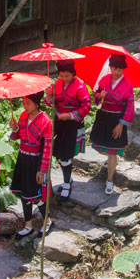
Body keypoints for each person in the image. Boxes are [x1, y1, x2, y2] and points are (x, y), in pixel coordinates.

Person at [44, 59, 91, 202]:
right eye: (61, 75)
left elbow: (86, 106)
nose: (64, 79)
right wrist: (49, 96)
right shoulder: (57, 84)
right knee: (57, 152)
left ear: (73, 74)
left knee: (66, 154)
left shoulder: (80, 87)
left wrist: (70, 115)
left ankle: (66, 184)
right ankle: (67, 179)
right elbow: (52, 104)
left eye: (67, 76)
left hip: (72, 124)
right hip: (59, 123)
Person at [9, 91, 53, 240]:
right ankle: (28, 225)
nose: (25, 106)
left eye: (28, 103)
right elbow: (19, 136)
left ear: (36, 103)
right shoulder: (22, 117)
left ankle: (47, 221)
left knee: (39, 195)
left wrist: (42, 170)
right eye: (23, 102)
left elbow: (47, 148)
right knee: (24, 193)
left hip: (36, 162)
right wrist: (15, 129)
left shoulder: (46, 122)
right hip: (23, 159)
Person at [90, 53, 135, 195]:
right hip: (103, 117)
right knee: (104, 149)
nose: (116, 72)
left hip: (117, 120)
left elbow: (130, 107)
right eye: (114, 69)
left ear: (123, 70)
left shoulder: (127, 85)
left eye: (120, 70)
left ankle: (110, 179)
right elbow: (96, 99)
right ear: (110, 67)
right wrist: (99, 96)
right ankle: (112, 163)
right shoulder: (104, 80)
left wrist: (121, 124)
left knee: (112, 151)